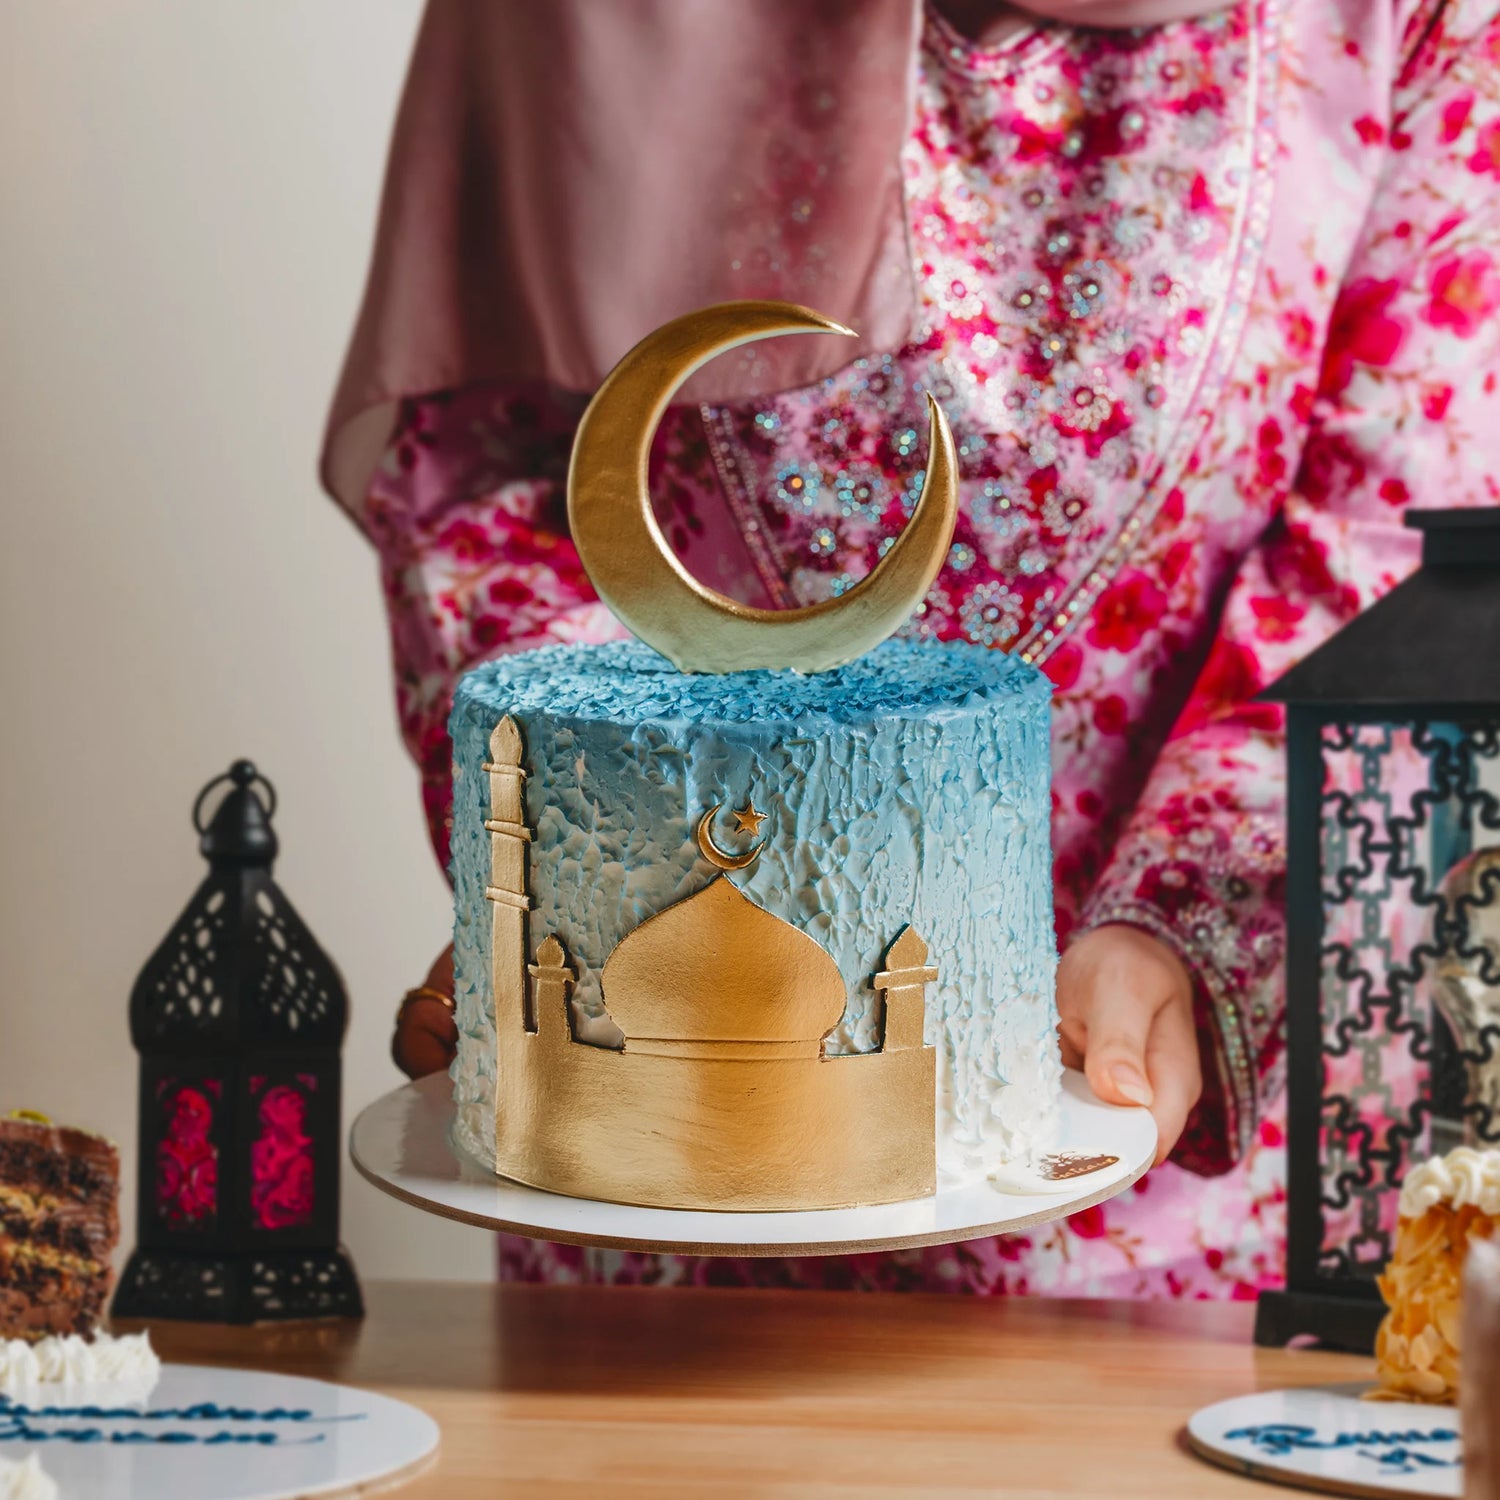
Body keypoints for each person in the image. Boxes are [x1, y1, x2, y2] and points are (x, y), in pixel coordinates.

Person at [324, 0, 1500, 1295]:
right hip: (669, 1160)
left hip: (1149, 1216)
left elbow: (1402, 556)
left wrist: (1189, 929)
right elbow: (494, 471)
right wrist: (602, 864)